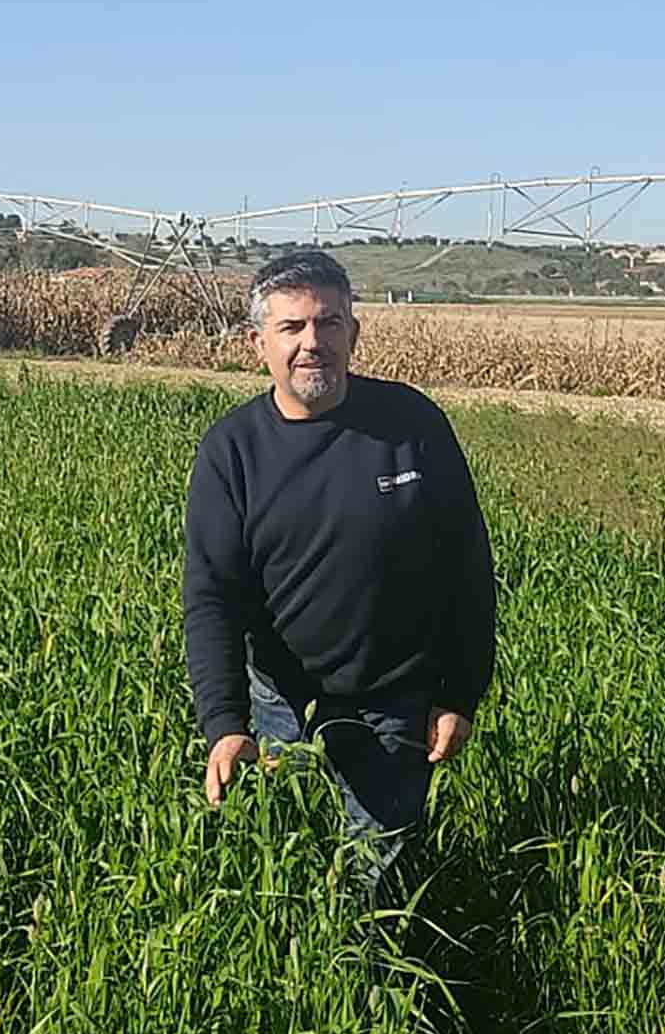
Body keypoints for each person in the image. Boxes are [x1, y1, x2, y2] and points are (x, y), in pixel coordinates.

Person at [182, 249, 497, 903]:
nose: (312, 343)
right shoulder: (231, 450)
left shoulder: (412, 426)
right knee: (286, 871)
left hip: (395, 703)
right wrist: (226, 724)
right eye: (292, 327)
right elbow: (212, 597)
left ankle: (373, 990)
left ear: (353, 333)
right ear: (256, 343)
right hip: (281, 706)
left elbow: (467, 567)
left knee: (378, 887)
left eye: (328, 324)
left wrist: (459, 694)